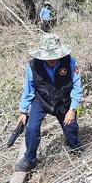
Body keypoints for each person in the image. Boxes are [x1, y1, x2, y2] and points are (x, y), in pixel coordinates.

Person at [14, 33, 83, 172]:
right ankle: (29, 160)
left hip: (63, 100)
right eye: (48, 57)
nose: (51, 60)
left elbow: (77, 86)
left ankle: (75, 147)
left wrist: (73, 109)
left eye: (53, 57)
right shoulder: (33, 65)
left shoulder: (69, 62)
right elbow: (29, 89)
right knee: (32, 129)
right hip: (42, 101)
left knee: (71, 127)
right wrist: (23, 111)